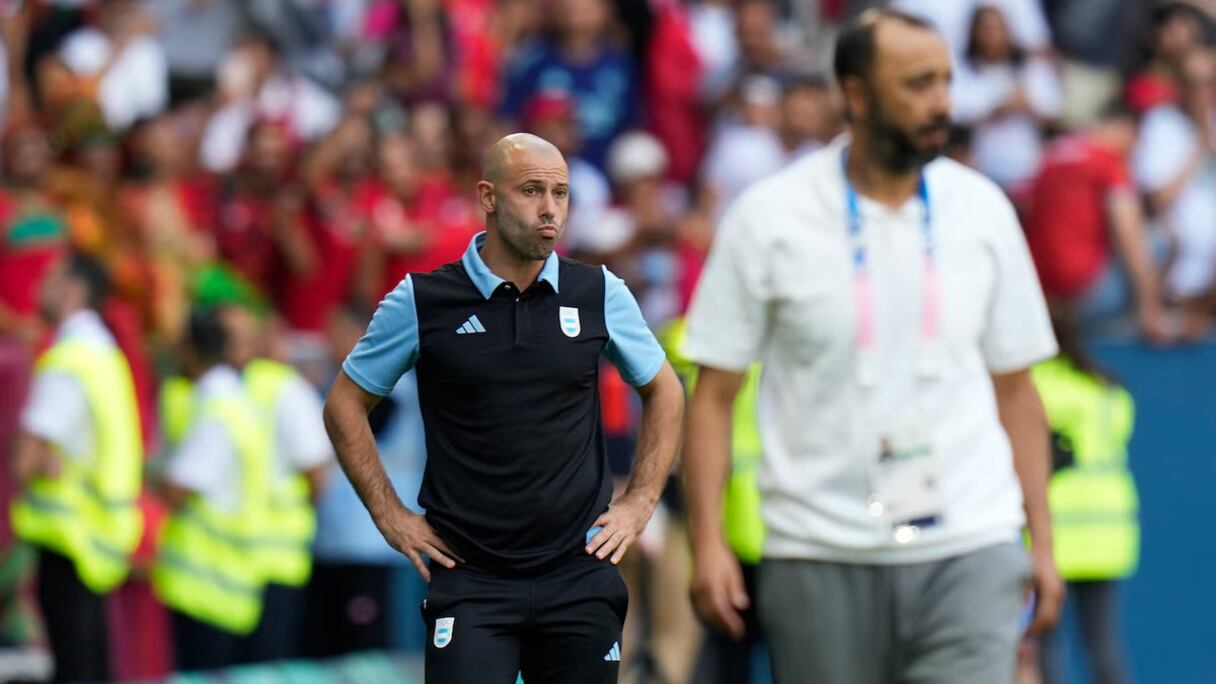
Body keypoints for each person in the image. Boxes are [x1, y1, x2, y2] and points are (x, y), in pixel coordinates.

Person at [683, 10, 1062, 684]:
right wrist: (707, 544)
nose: (942, 101)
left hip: (970, 543)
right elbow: (712, 398)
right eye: (918, 84)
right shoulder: (768, 216)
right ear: (856, 95)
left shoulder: (984, 210)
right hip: (819, 549)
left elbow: (1017, 390)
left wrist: (1043, 541)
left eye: (946, 81)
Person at [323, 132, 684, 683]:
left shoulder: (598, 292)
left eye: (561, 194)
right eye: (532, 191)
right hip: (471, 580)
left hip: (579, 576)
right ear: (488, 197)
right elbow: (345, 404)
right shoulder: (422, 300)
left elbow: (665, 390)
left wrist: (639, 503)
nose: (550, 209)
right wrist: (390, 515)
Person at [11, 254, 143, 683]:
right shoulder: (104, 355)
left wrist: (36, 457)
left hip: (69, 540)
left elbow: (24, 459)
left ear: (73, 289)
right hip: (100, 535)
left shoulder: (69, 361)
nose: (38, 287)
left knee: (75, 668)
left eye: (49, 278)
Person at [151, 307, 270, 672]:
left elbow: (181, 488)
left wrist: (148, 477)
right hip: (227, 581)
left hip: (205, 585)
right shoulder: (234, 399)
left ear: (190, 350)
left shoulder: (216, 407)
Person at [1032, 309, 1139, 684]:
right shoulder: (1109, 389)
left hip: (1054, 534)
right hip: (1109, 535)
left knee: (1046, 648)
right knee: (1104, 647)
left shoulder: (1036, 388)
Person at [1025, 104, 1167, 340]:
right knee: (1158, 240)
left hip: (1042, 292)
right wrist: (1149, 308)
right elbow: (1131, 239)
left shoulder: (1052, 154)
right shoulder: (1108, 160)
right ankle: (1131, 324)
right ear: (1125, 129)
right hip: (1085, 292)